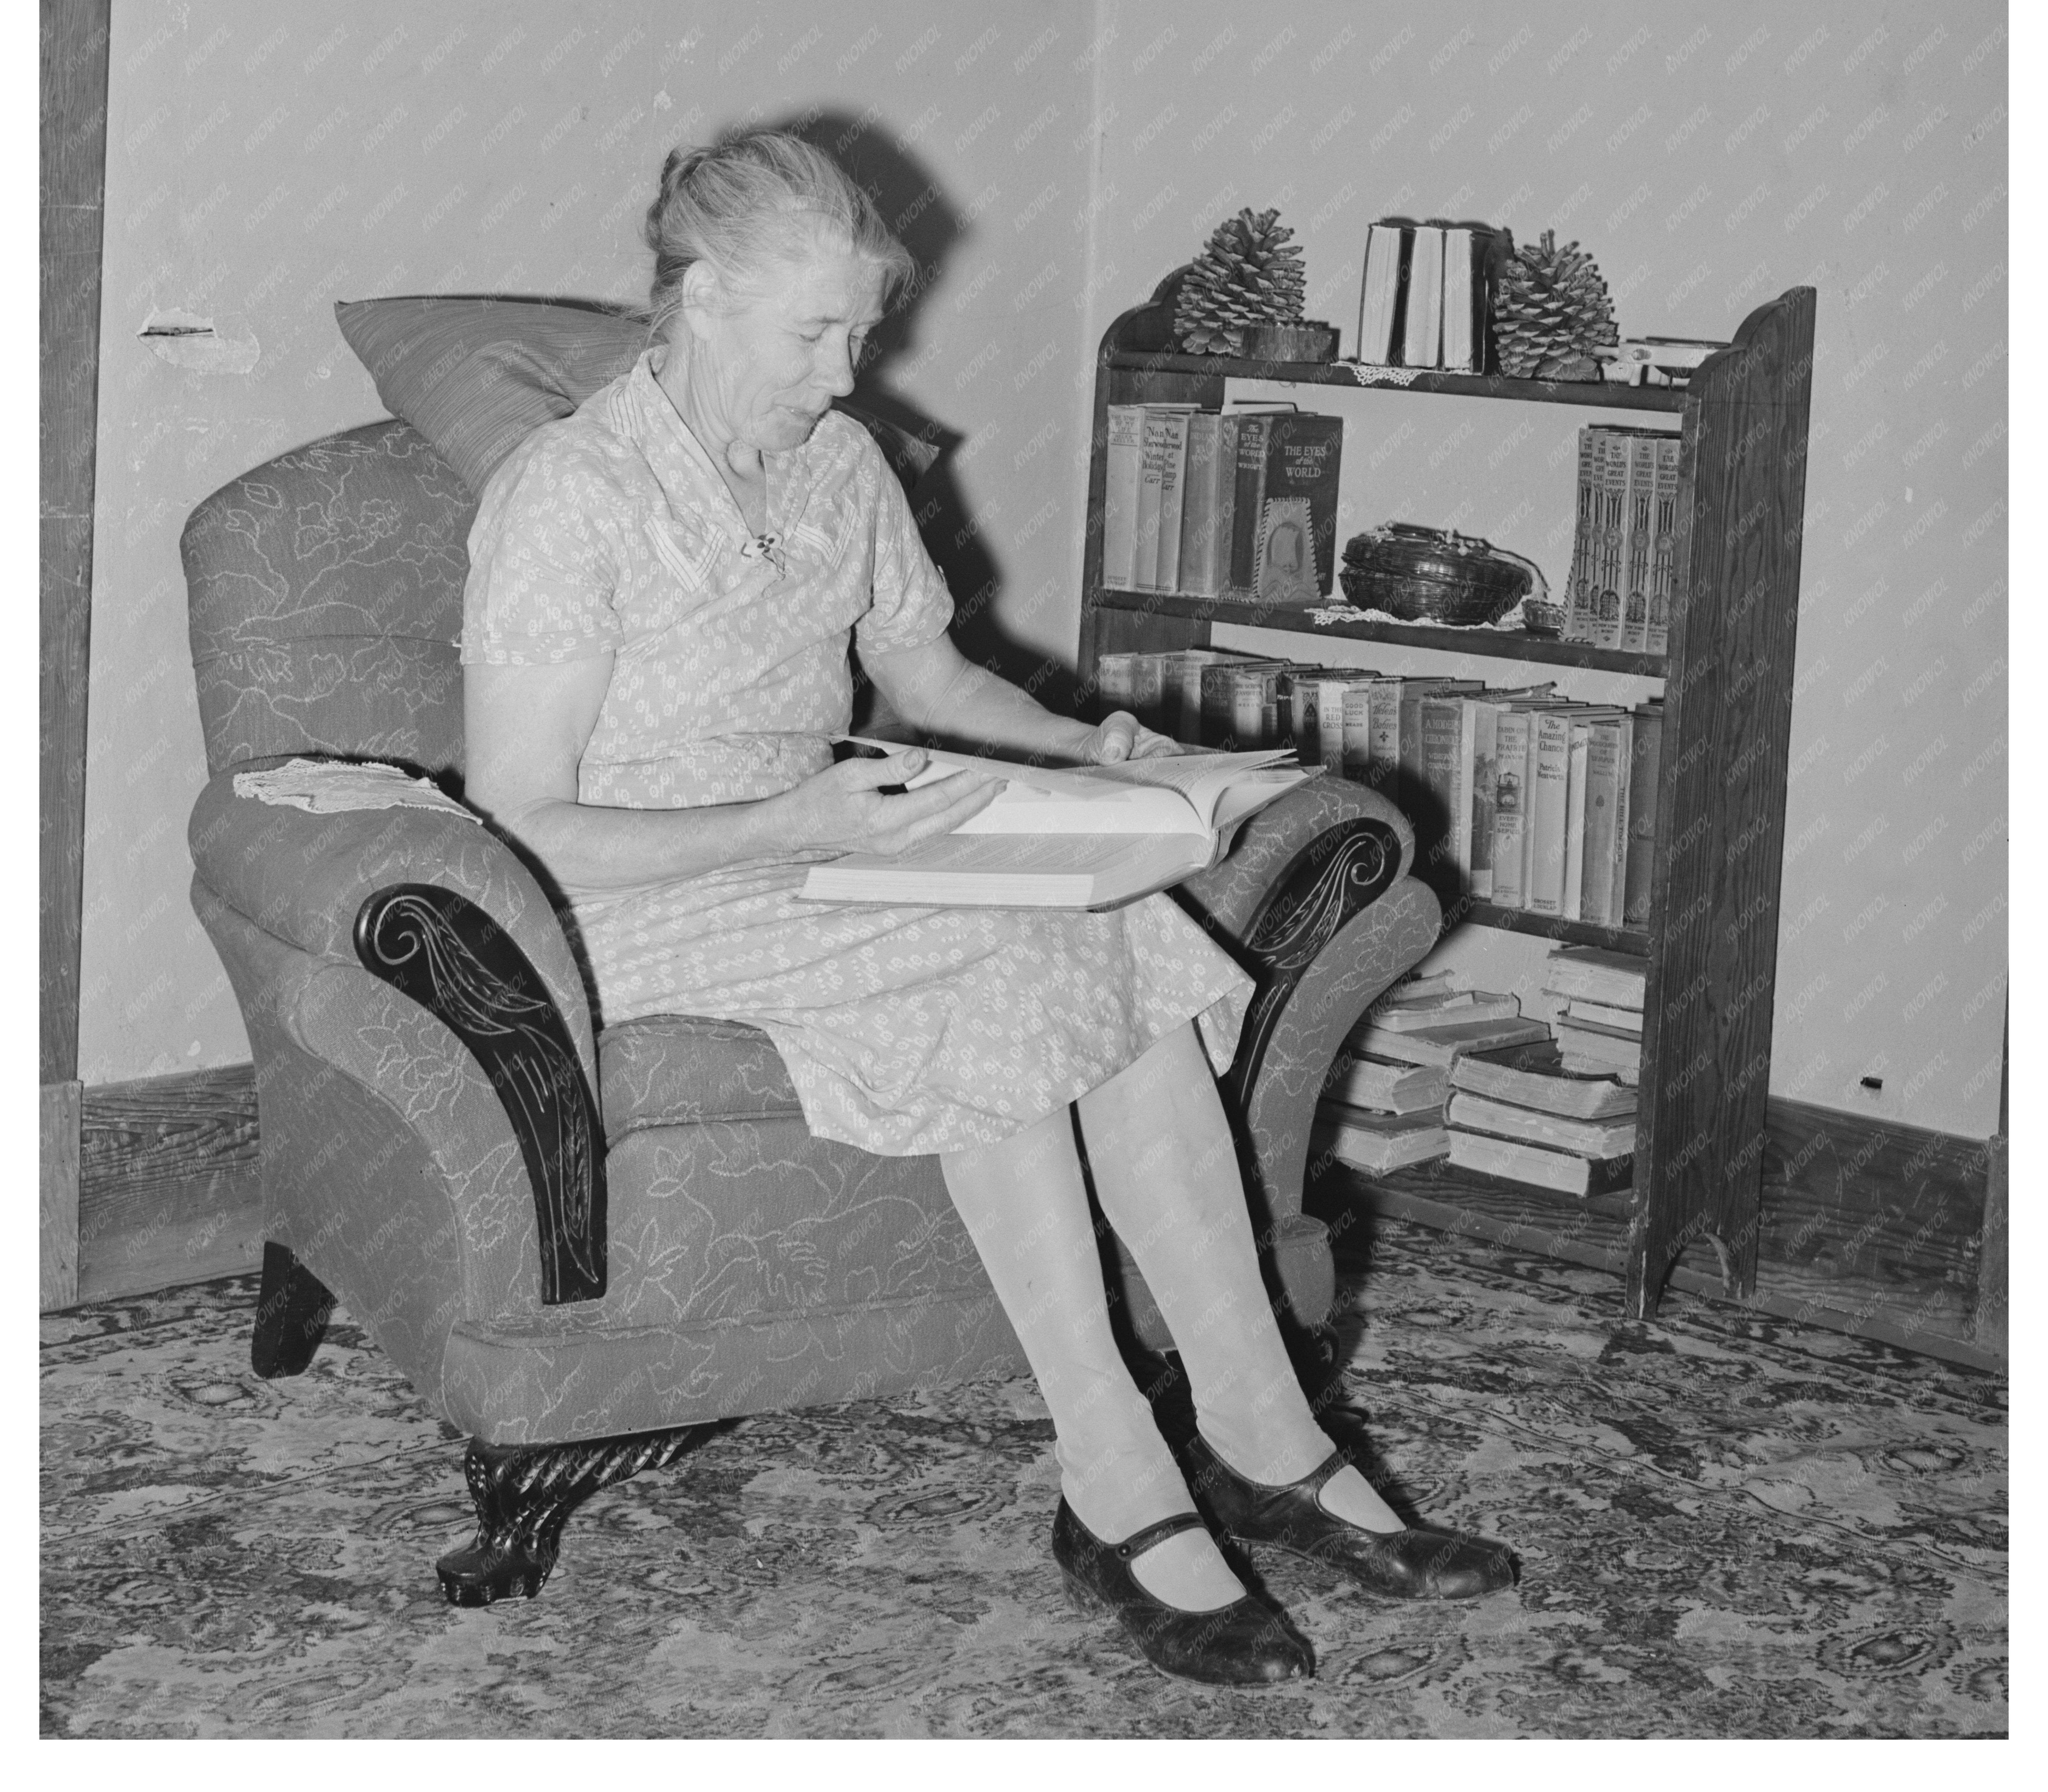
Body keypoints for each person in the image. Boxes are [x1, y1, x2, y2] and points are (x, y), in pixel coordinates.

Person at [462, 129, 1514, 1687]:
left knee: (1097, 924)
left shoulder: (839, 463)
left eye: (860, 335)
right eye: (810, 334)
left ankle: (1262, 1428)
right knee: (1003, 951)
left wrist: (1104, 747)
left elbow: (930, 676)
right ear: (695, 297)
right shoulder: (571, 494)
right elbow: (525, 819)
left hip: (824, 848)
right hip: (642, 894)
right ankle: (1120, 1477)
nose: (841, 372)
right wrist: (788, 818)